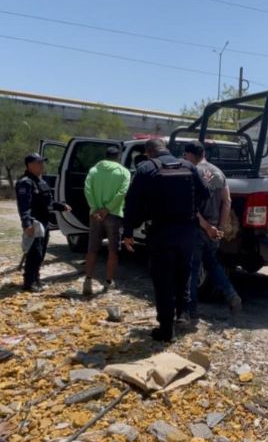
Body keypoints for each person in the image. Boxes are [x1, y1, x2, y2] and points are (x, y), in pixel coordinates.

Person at [122, 138, 209, 343]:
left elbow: (132, 203)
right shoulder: (188, 166)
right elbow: (205, 193)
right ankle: (182, 314)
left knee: (163, 279)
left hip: (161, 232)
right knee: (183, 273)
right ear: (166, 149)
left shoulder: (145, 168)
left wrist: (128, 232)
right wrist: (191, 210)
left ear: (148, 152)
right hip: (187, 231)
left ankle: (166, 328)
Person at [182, 141, 242, 321]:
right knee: (212, 265)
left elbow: (191, 206)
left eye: (186, 156)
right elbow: (227, 201)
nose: (185, 159)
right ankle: (231, 295)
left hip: (197, 229)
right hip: (214, 230)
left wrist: (207, 227)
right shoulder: (219, 172)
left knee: (192, 270)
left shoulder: (192, 172)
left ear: (190, 155)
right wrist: (220, 228)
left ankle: (190, 311)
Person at [15, 153, 71, 292]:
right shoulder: (26, 182)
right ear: (30, 165)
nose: (42, 165)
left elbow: (48, 202)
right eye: (39, 163)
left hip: (44, 222)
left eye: (42, 162)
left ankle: (36, 279)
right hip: (35, 223)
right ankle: (29, 283)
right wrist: (27, 224)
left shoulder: (40, 181)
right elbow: (24, 206)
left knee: (41, 252)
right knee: (35, 253)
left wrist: (60, 206)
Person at [83, 146, 131, 295]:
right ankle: (108, 282)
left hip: (95, 215)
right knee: (113, 250)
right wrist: (108, 209)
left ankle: (88, 281)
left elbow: (87, 189)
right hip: (114, 214)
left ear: (105, 156)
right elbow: (122, 192)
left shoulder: (93, 171)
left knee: (92, 248)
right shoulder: (124, 172)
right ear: (118, 157)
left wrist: (96, 208)